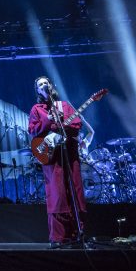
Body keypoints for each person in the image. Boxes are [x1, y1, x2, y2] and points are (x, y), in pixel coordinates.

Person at [28, 76, 86, 244]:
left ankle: (78, 231)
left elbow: (77, 124)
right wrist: (49, 122)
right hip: (52, 156)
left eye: (46, 82)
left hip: (70, 152)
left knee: (75, 190)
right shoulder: (36, 109)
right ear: (38, 90)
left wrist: (60, 124)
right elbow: (33, 129)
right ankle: (59, 237)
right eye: (40, 84)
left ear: (51, 86)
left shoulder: (65, 105)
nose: (44, 85)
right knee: (57, 193)